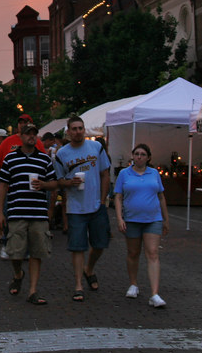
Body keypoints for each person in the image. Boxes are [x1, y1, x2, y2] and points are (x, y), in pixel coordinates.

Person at [0, 123, 58, 305]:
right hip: (17, 211)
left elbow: (53, 184)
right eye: (28, 134)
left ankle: (33, 290)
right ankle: (18, 273)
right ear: (21, 137)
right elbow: (2, 185)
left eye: (34, 134)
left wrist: (50, 204)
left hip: (38, 212)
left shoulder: (44, 159)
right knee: (15, 253)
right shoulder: (10, 159)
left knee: (37, 252)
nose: (31, 137)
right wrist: (0, 212)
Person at [53, 116, 112, 302]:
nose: (78, 131)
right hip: (75, 207)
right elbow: (59, 181)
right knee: (77, 248)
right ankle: (78, 284)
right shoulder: (62, 154)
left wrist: (102, 200)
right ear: (68, 132)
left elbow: (105, 174)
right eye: (74, 129)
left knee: (100, 244)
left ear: (84, 130)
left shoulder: (96, 148)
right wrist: (69, 182)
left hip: (96, 205)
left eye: (80, 128)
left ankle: (90, 269)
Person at [114, 143, 169, 308]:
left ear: (148, 157)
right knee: (133, 252)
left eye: (143, 154)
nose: (139, 157)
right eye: (136, 154)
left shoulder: (154, 173)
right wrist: (119, 218)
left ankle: (154, 293)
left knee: (152, 253)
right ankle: (133, 283)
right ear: (132, 156)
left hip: (152, 218)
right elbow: (118, 197)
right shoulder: (124, 174)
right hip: (132, 219)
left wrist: (166, 219)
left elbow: (161, 196)